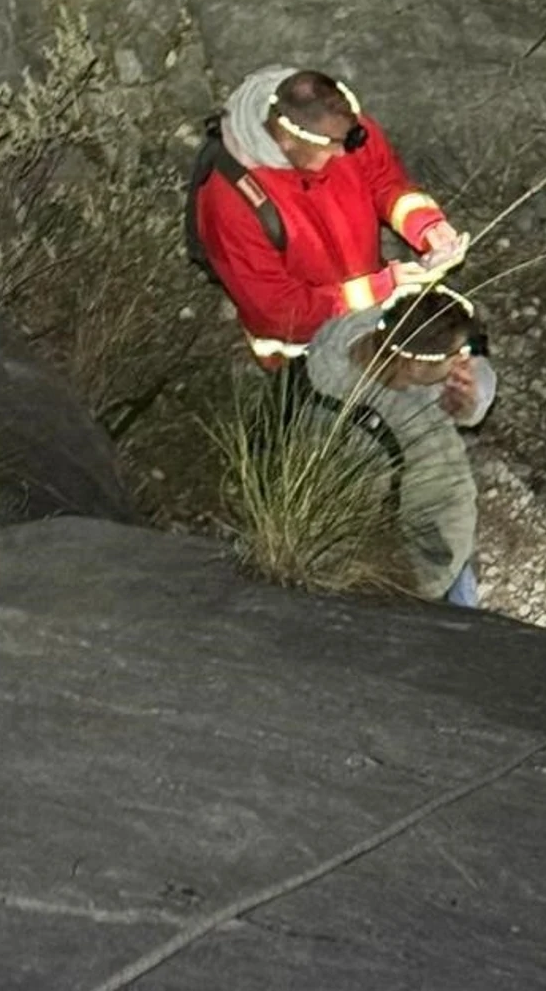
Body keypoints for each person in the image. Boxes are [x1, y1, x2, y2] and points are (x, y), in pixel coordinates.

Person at [191, 65, 464, 366]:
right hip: (301, 350)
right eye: (332, 147)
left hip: (369, 315)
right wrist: (377, 289)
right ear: (287, 140)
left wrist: (426, 225)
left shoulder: (340, 128)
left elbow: (384, 182)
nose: (343, 155)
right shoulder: (231, 203)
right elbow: (279, 311)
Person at [302, 281, 497, 606]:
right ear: (416, 366)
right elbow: (440, 532)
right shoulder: (396, 438)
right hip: (416, 571)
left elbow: (478, 376)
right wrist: (427, 590)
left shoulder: (375, 329)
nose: (464, 362)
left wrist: (470, 402)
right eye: (456, 356)